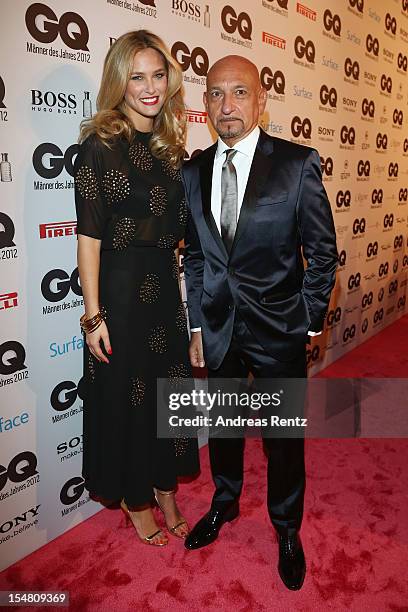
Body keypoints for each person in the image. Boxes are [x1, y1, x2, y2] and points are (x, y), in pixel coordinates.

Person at [182, 55, 337, 588]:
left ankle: (287, 527)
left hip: (279, 332)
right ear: (204, 105)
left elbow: (322, 250)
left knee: (282, 437)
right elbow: (198, 258)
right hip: (220, 328)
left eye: (239, 93)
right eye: (216, 94)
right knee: (224, 428)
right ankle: (224, 505)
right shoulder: (193, 170)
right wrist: (198, 325)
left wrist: (309, 321)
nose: (228, 106)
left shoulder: (297, 164)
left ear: (262, 100)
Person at [74, 30, 199, 547]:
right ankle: (136, 496)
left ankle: (164, 486)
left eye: (158, 74)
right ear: (118, 83)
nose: (149, 87)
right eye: (136, 76)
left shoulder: (172, 149)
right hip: (121, 298)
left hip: (164, 297)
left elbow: (182, 242)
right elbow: (89, 240)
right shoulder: (98, 149)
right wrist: (93, 316)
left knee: (166, 398)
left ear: (169, 80)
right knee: (129, 400)